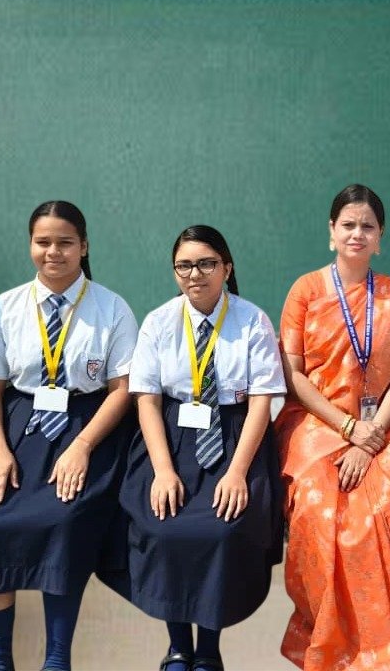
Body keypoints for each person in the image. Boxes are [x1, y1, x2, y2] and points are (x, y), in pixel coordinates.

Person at [0, 200, 136, 671]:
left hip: (86, 425)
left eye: (65, 242)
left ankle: (57, 659)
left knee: (65, 518)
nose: (53, 252)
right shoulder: (6, 306)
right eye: (43, 242)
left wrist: (82, 447)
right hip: (18, 425)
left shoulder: (111, 307)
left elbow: (122, 389)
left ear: (84, 247)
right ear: (30, 246)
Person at [276, 184, 390, 671]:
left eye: (368, 226)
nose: (357, 234)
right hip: (317, 422)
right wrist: (347, 425)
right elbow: (293, 375)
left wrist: (370, 439)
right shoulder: (306, 291)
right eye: (348, 225)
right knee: (318, 510)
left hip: (382, 426)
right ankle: (331, 652)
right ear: (331, 232)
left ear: (380, 236)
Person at [120, 225, 286, 671]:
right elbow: (147, 400)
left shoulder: (252, 320)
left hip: (234, 436)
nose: (195, 274)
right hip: (173, 437)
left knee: (222, 531)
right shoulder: (159, 322)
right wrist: (162, 470)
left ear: (226, 268)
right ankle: (178, 647)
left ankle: (209, 648)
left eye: (207, 263)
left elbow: (261, 401)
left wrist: (237, 472)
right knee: (164, 527)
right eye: (185, 266)